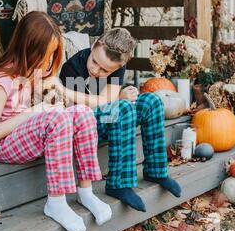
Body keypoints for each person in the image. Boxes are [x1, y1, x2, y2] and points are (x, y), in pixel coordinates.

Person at [0, 11, 112, 231]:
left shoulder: (35, 72)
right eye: (46, 54)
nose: (49, 61)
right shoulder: (1, 81)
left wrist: (54, 102)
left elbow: (46, 110)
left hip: (31, 136)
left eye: (52, 55)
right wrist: (34, 112)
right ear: (28, 48)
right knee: (57, 118)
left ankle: (86, 191)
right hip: (4, 144)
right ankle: (57, 202)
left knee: (83, 113)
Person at [56, 28, 182, 212]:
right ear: (93, 46)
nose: (95, 69)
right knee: (122, 108)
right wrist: (118, 98)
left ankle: (156, 171)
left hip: (108, 118)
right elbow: (84, 109)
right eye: (94, 62)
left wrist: (116, 97)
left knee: (151, 101)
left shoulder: (117, 64)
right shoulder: (73, 66)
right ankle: (118, 183)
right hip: (84, 125)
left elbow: (108, 98)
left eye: (104, 70)